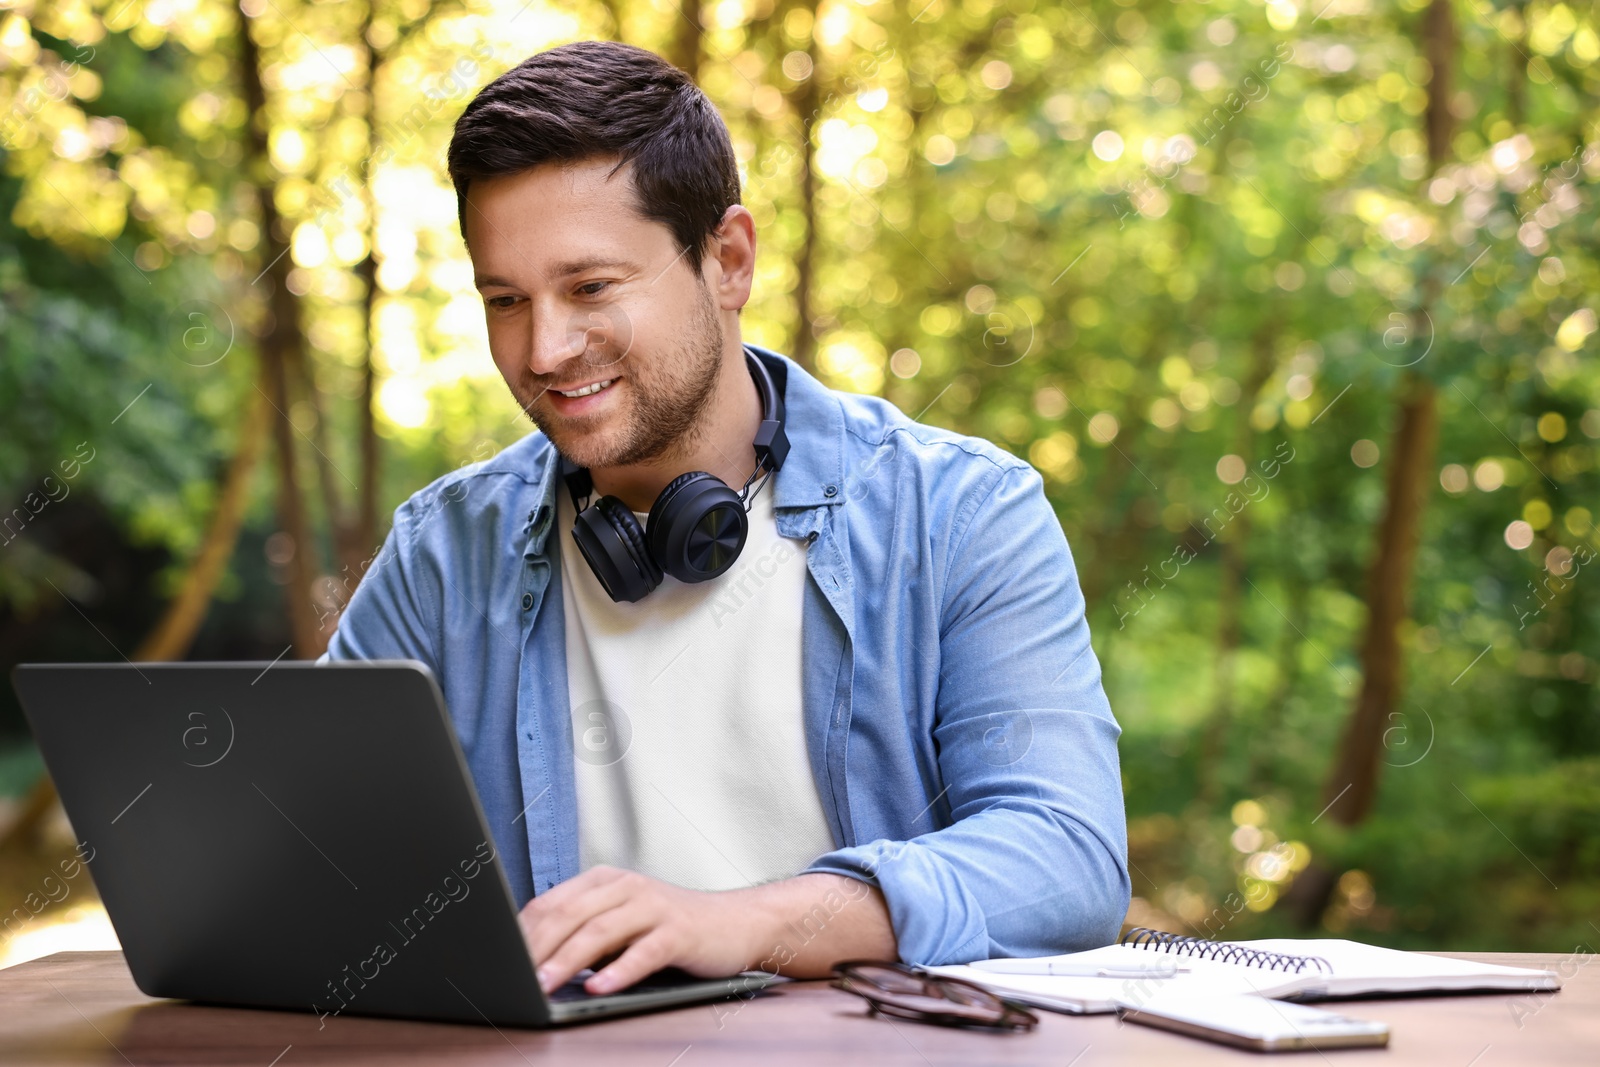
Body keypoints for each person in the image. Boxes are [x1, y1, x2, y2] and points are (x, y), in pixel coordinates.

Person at [323, 39, 1128, 998]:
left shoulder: (959, 514)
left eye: (590, 288)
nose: (544, 348)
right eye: (506, 300)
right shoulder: (442, 552)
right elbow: (319, 858)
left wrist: (741, 921)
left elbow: (1066, 858)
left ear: (729, 260)